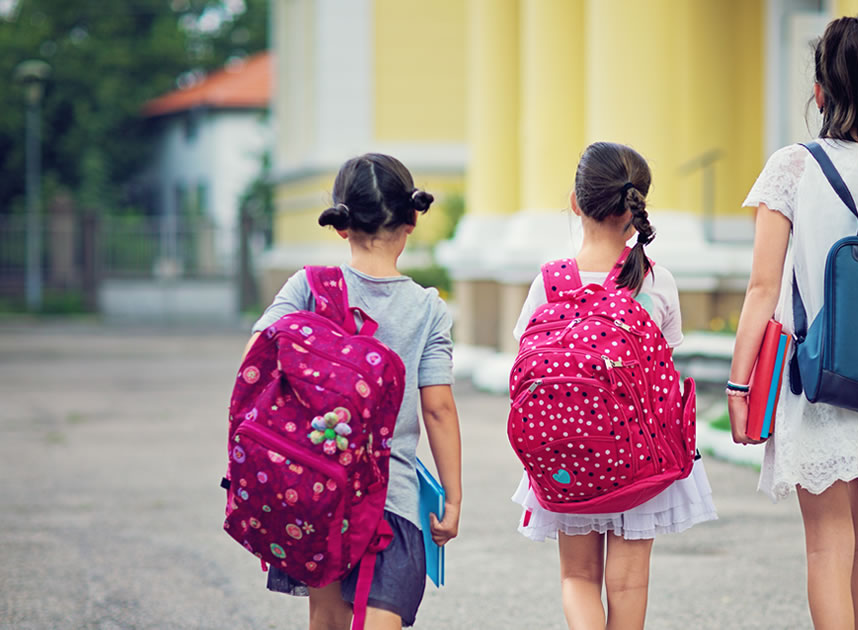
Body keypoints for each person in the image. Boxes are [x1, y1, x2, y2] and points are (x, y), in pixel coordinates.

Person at [728, 17, 858, 630]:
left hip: (818, 381)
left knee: (828, 540)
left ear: (819, 89)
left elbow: (763, 288)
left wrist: (741, 385)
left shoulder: (793, 168)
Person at [247, 153, 463, 630]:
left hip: (318, 488)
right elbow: (439, 409)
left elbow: (258, 353)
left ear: (341, 225)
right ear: (412, 218)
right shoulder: (428, 308)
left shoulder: (309, 287)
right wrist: (452, 496)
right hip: (393, 496)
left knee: (325, 617)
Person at [510, 142, 717, 630]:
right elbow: (664, 364)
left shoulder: (549, 282)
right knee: (628, 583)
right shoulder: (656, 280)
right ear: (636, 205)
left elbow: (524, 361)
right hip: (637, 453)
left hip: (566, 451)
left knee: (577, 577)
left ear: (576, 202)